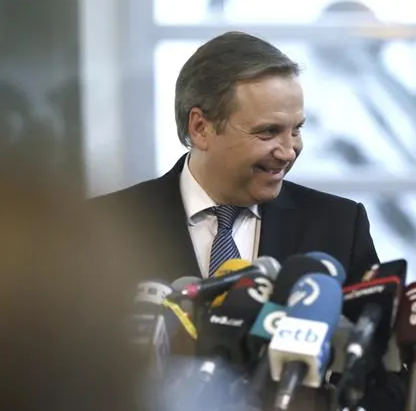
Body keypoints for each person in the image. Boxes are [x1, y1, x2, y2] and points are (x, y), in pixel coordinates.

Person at [90, 31, 379, 286]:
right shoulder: (105, 227)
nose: (288, 151)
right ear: (201, 127)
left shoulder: (339, 227)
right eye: (268, 131)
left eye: (296, 130)